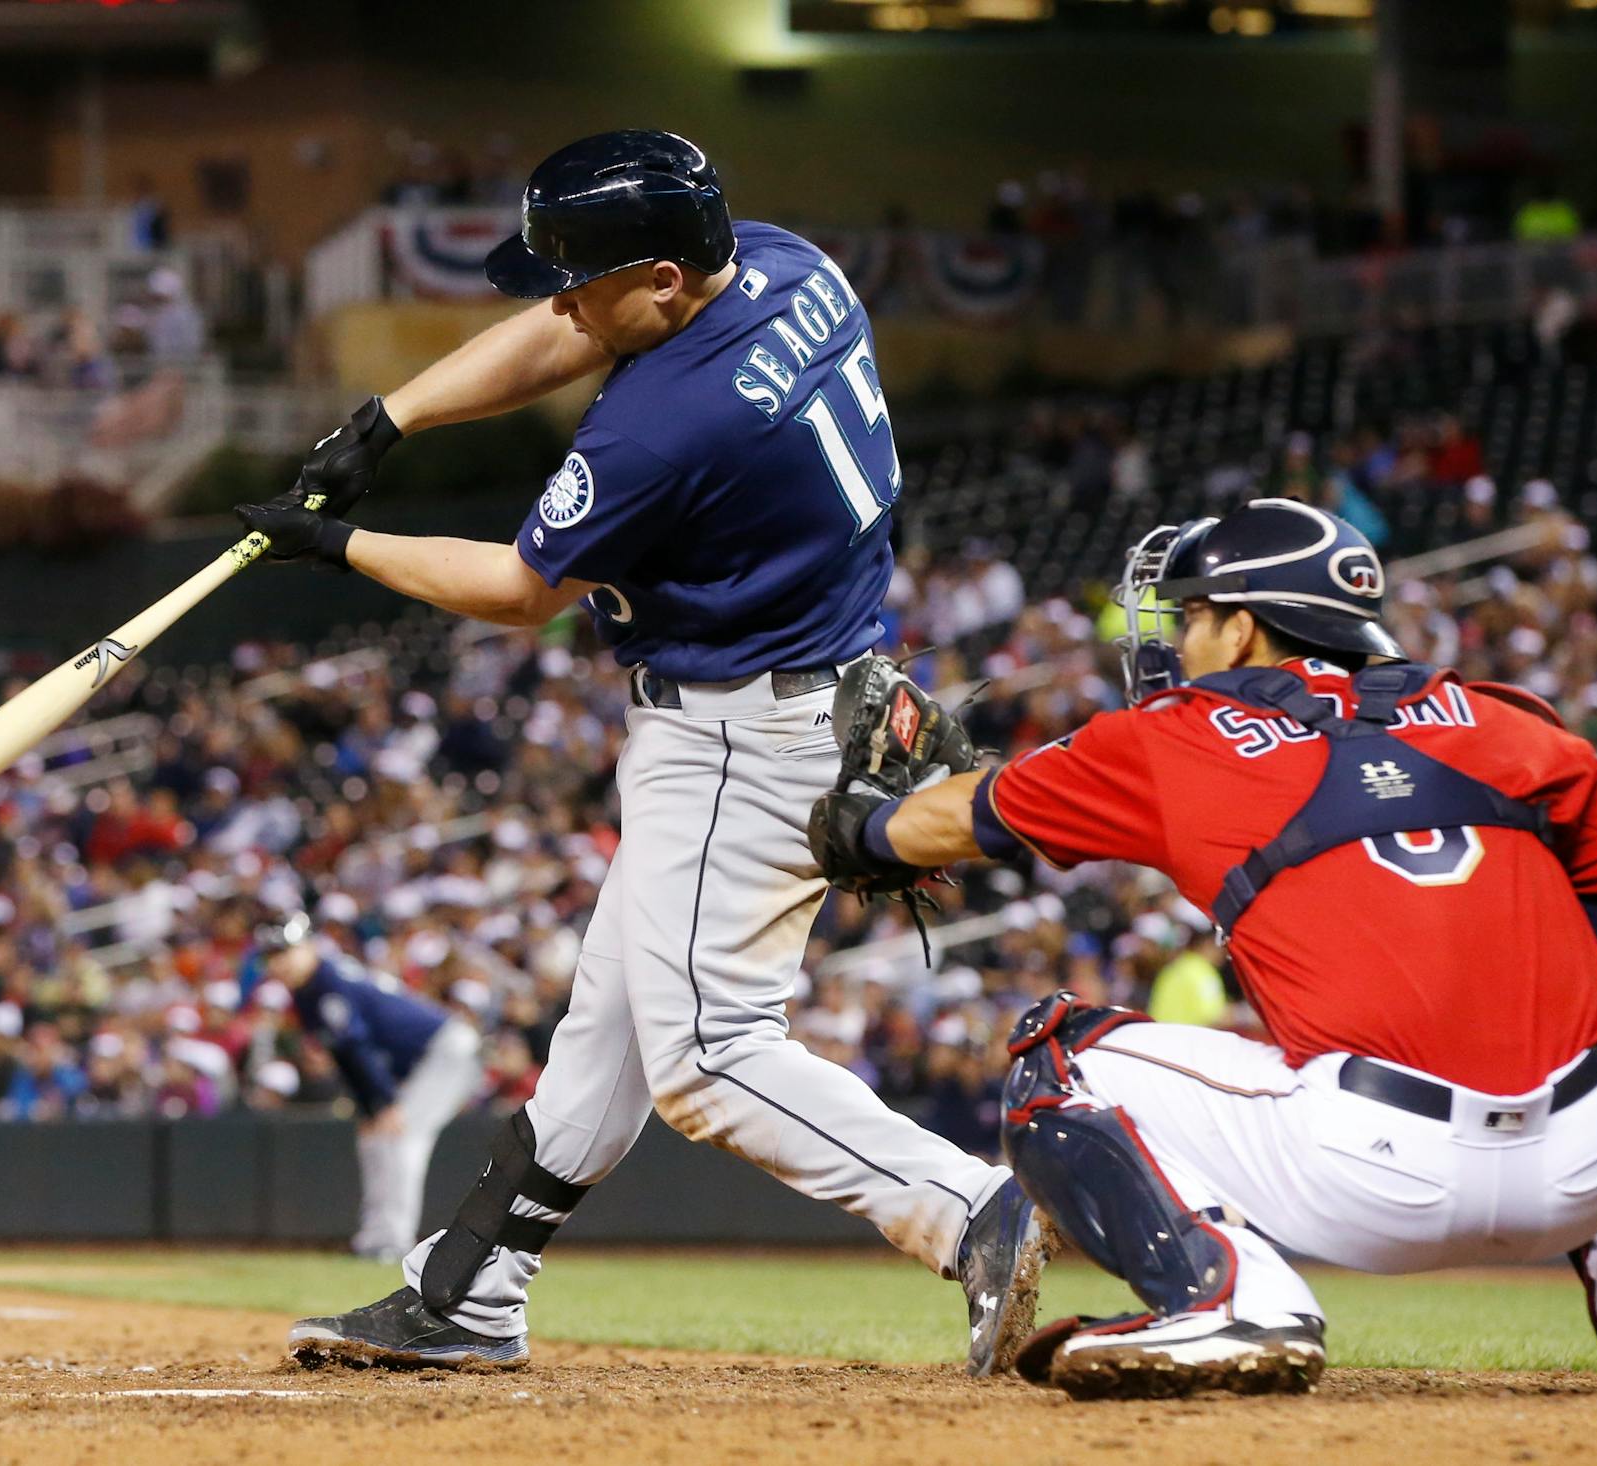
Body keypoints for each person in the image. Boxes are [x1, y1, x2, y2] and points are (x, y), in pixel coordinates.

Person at [232, 129, 1044, 1374]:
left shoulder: (671, 423)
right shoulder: (783, 261)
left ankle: (967, 1210)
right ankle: (466, 1290)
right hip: (811, 689)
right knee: (603, 1030)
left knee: (711, 1062)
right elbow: (575, 333)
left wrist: (338, 544)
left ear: (663, 275)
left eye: (583, 272)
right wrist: (389, 419)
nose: (560, 296)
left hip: (740, 730)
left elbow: (517, 588)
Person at [811, 499, 1597, 1399]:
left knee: (1052, 1054)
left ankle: (1229, 1295)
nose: (1178, 636)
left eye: (1194, 614)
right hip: (1590, 1159)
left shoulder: (1178, 736)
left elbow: (951, 822)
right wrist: (1492, 950)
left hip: (1377, 1175)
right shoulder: (1504, 720)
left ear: (1246, 630)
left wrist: (861, 825)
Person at [253, 913, 484, 1261]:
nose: (278, 962)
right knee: (375, 1139)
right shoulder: (307, 991)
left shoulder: (330, 982)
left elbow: (358, 1048)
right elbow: (345, 1054)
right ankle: (375, 1238)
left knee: (399, 1136)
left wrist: (386, 1103)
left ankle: (392, 1241)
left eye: (285, 951)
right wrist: (369, 1107)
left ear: (310, 946)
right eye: (270, 956)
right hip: (416, 1061)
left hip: (446, 1050)